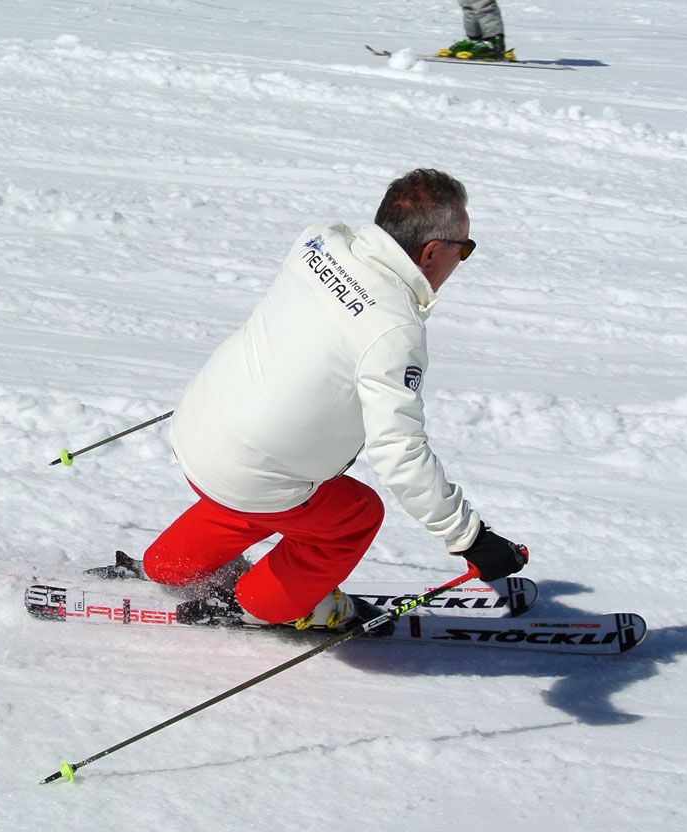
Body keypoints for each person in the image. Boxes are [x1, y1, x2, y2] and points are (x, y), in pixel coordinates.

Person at [143, 169, 528, 631]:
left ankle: (169, 564)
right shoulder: (393, 329)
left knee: (266, 485)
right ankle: (266, 603)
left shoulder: (318, 243)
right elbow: (399, 452)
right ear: (430, 252)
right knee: (353, 515)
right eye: (463, 249)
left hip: (197, 427)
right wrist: (469, 537)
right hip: (254, 470)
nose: (462, 258)